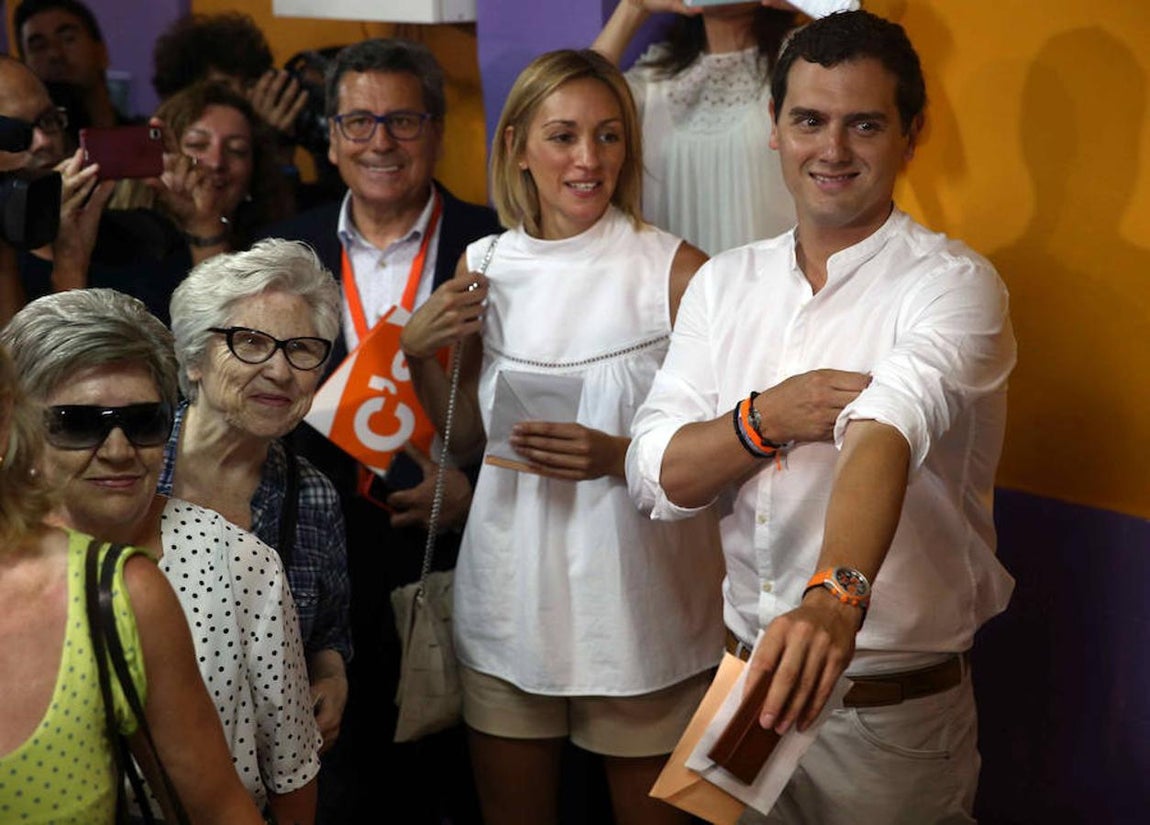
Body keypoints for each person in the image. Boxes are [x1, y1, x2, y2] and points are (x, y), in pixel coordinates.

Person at [627, 10, 1017, 823]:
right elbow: (656, 471)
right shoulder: (723, 283)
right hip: (744, 686)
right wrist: (763, 419)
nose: (832, 150)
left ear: (913, 134)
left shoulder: (953, 284)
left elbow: (889, 425)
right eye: (809, 120)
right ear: (775, 127)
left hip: (885, 714)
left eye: (863, 124)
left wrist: (834, 597)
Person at [399, 48, 726, 825]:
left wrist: (620, 457)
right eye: (564, 136)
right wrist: (416, 355)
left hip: (639, 608)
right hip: (509, 600)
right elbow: (469, 438)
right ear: (516, 144)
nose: (589, 159)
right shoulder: (484, 262)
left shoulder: (676, 271)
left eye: (609, 136)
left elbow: (732, 452)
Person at [263, 36, 502, 825]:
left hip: (462, 543)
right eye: (358, 121)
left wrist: (479, 488)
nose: (381, 142)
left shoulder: (495, 244)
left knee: (461, 779)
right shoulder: (283, 253)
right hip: (325, 552)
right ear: (330, 137)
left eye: (403, 119)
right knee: (347, 781)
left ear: (436, 130)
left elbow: (539, 407)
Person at [1, 288, 323, 823]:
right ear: (19, 430)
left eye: (145, 421)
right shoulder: (18, 570)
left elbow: (291, 775)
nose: (119, 448)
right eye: (80, 423)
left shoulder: (240, 562)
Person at [163, 238, 351, 756]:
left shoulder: (312, 494)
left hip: (263, 778)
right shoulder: (127, 467)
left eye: (302, 349)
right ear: (195, 357)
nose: (280, 370)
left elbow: (328, 634)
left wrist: (332, 679)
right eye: (250, 342)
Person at [592, 0, 855, 255]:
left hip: (783, 286)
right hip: (674, 290)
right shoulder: (654, 76)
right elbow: (573, 100)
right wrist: (632, 7)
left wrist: (814, 5)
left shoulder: (803, 60)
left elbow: (869, 70)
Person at [19, 80, 287, 325]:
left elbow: (225, 341)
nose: (216, 162)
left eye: (237, 150)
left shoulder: (277, 250)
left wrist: (205, 226)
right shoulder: (131, 244)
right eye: (197, 144)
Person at [14, 0, 137, 145]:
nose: (55, 54)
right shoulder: (28, 158)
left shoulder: (143, 139)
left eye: (68, 39)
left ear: (101, 52)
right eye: (39, 46)